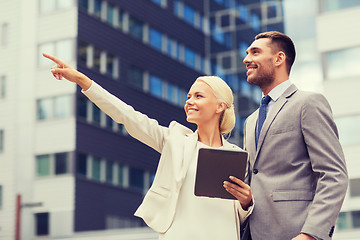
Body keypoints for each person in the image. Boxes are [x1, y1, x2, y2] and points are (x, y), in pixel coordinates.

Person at [43, 53, 254, 240]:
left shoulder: (236, 156)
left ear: (220, 106)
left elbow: (237, 212)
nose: (189, 101)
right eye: (188, 96)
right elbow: (127, 115)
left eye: (198, 96)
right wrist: (82, 80)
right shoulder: (175, 140)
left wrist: (246, 202)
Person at [226, 31, 348, 240]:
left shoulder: (308, 103)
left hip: (295, 232)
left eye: (255, 52)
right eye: (247, 53)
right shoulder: (251, 120)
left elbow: (334, 174)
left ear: (279, 58)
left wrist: (310, 234)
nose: (246, 59)